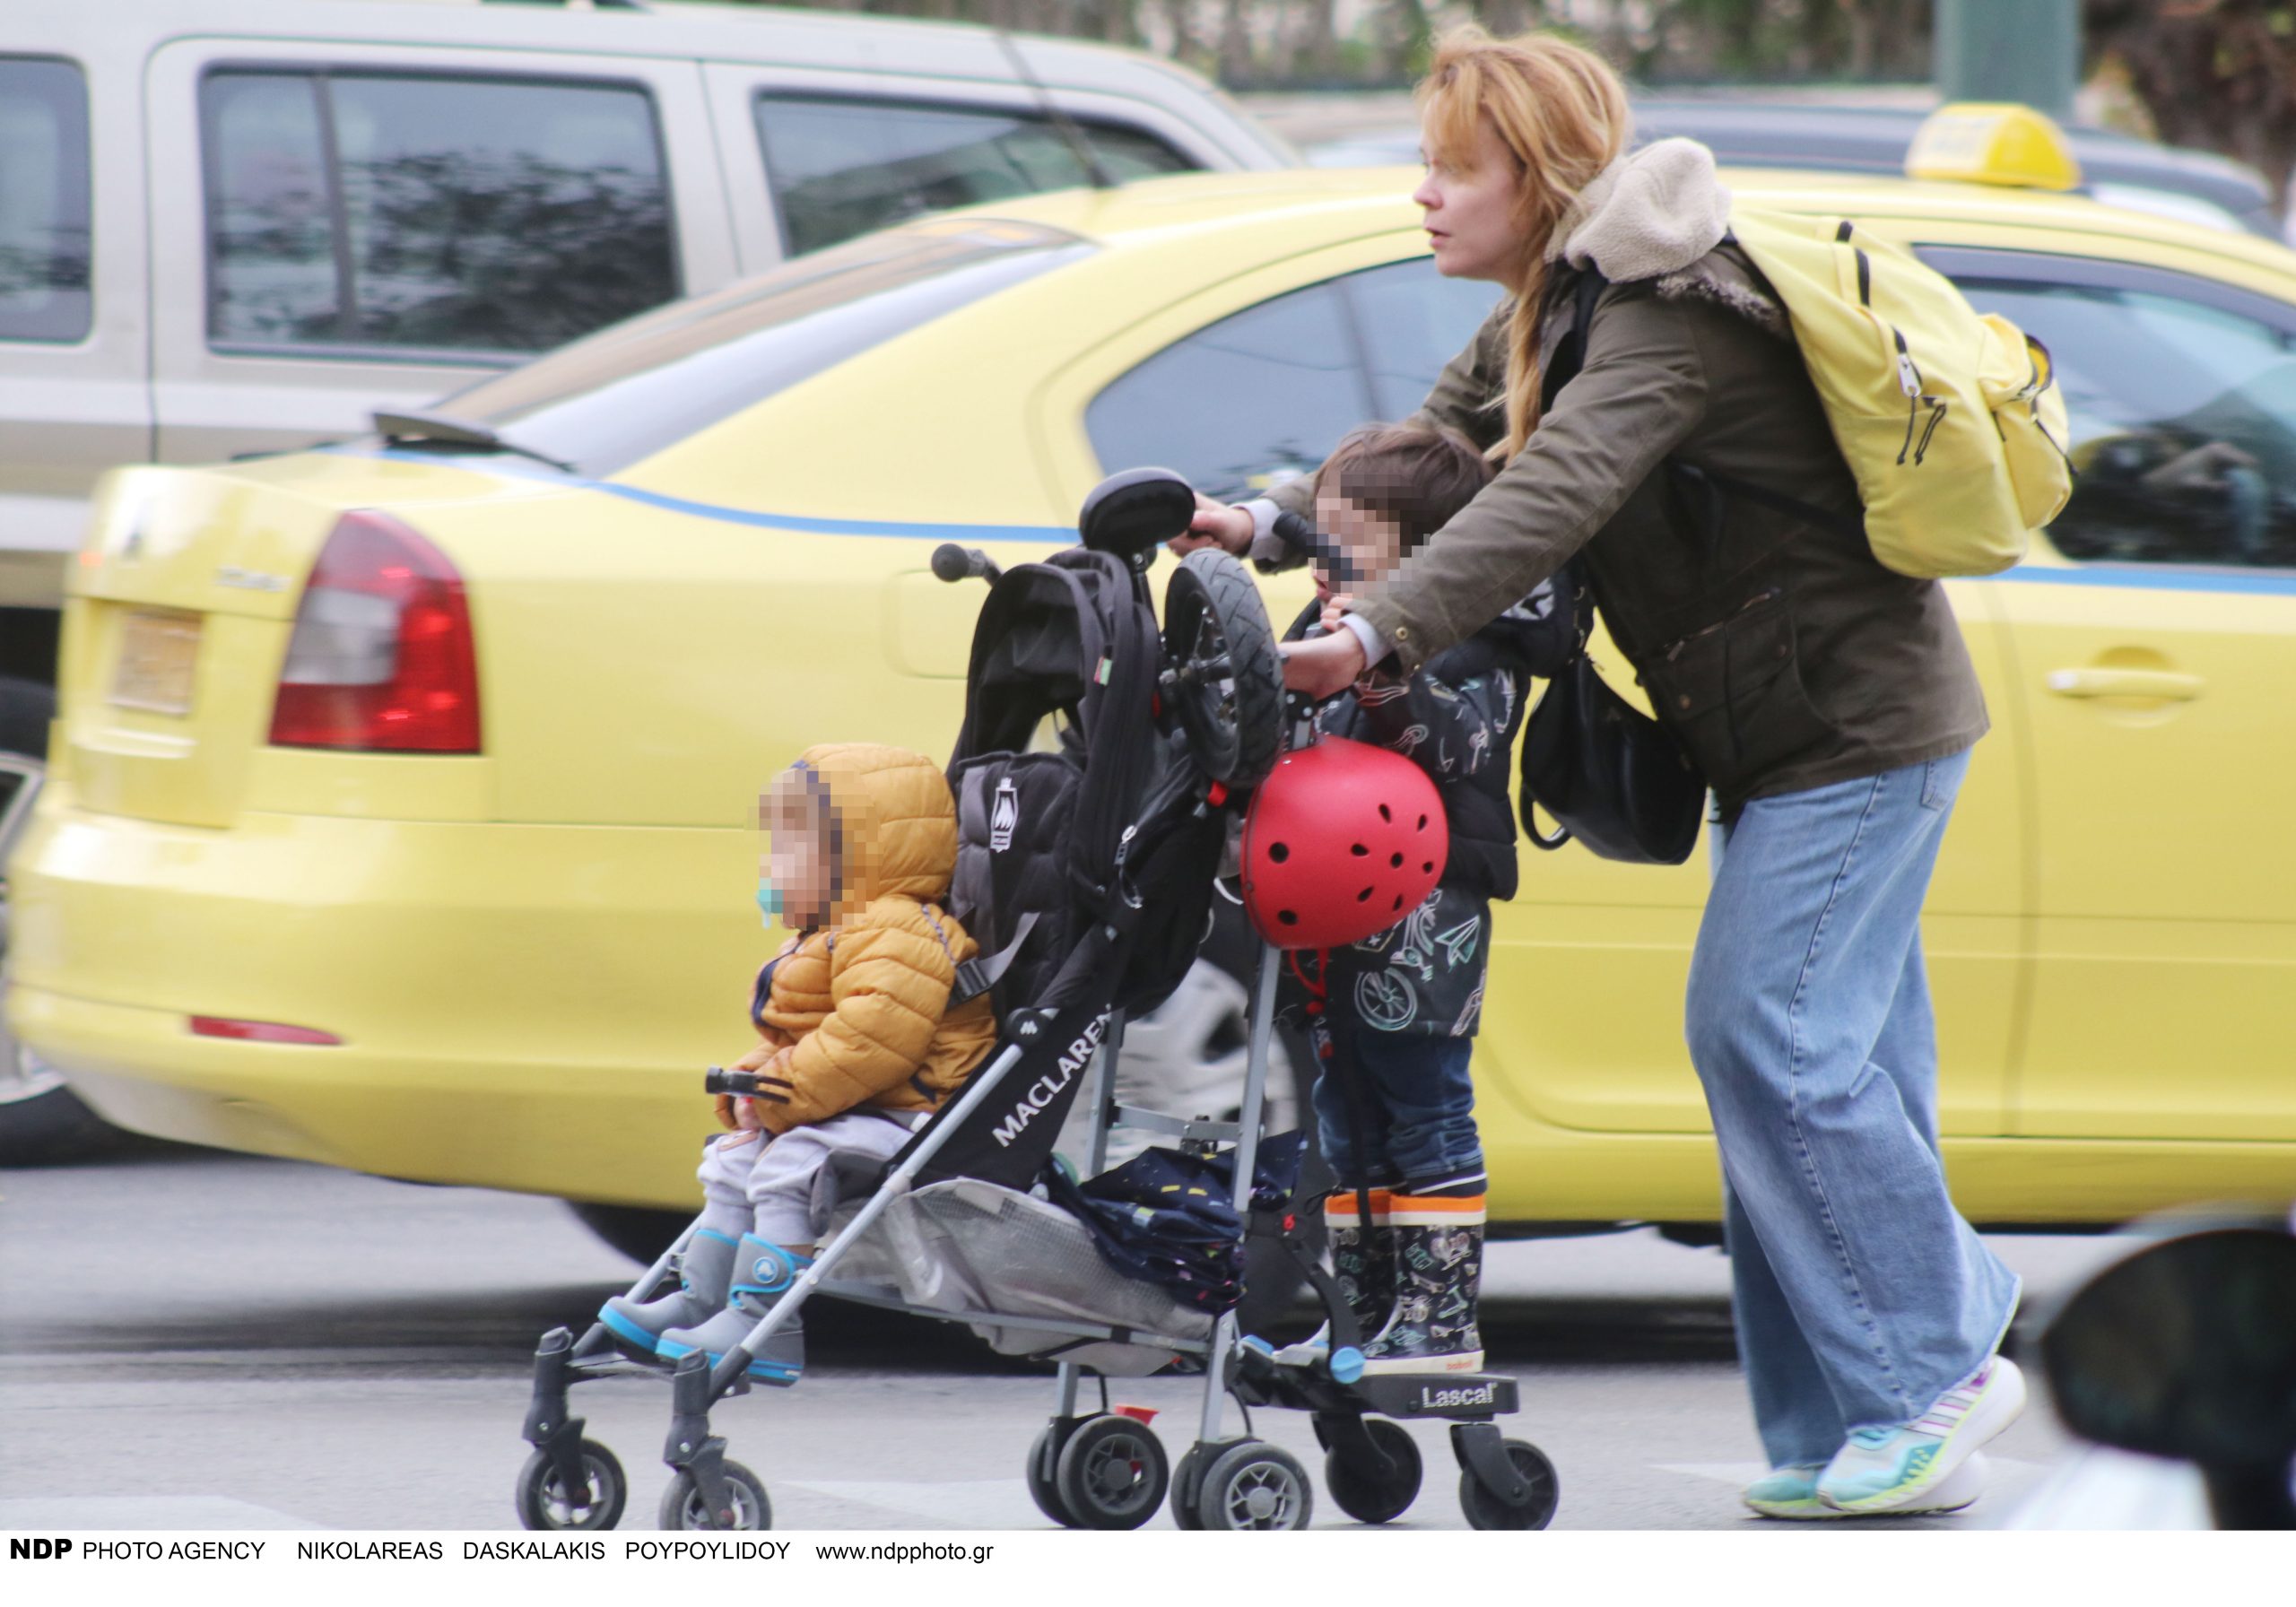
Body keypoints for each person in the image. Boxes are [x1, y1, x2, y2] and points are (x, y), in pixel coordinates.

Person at [1178, 28, 2022, 1519]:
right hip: (1778, 735)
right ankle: (1849, 1420)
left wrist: (1374, 629)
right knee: (1830, 1065)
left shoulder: (1661, 320)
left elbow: (1553, 495)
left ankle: (1930, 1371)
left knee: (1764, 1033)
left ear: (1540, 173)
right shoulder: (1551, 302)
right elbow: (1435, 452)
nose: (1423, 195)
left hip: (1855, 728)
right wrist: (1266, 525)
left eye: (1455, 169)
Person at [1260, 421, 1545, 1377]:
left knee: (1423, 1103)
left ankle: (1440, 1320)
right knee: (1345, 1112)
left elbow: (1455, 747)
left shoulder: (1470, 638)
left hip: (1429, 911)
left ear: (1427, 554)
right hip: (1335, 911)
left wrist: (1377, 672)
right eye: (1322, 537)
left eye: (1351, 540)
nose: (1325, 559)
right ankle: (1364, 1314)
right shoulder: (1326, 631)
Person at [597, 743, 996, 1381]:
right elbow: (792, 1033)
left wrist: (781, 1090)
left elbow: (873, 1040)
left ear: (856, 855)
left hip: (911, 1111)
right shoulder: (834, 929)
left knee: (789, 1165)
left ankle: (767, 1318)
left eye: (789, 849)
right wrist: (753, 1084)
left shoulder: (899, 931)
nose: (770, 866)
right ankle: (702, 1297)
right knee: (731, 1161)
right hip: (849, 1102)